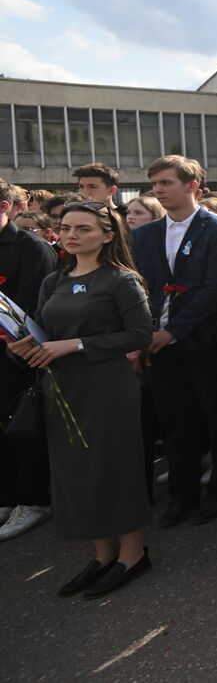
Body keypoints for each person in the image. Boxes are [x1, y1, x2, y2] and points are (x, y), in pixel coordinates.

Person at [7, 200, 153, 597]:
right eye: (66, 227)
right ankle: (103, 555)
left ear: (107, 235)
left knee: (113, 466)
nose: (71, 235)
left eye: (82, 229)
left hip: (106, 385)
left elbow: (140, 335)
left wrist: (73, 345)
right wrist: (22, 348)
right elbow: (40, 332)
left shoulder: (122, 280)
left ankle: (133, 553)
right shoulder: (54, 279)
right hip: (62, 386)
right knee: (77, 472)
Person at [130, 155, 217, 528]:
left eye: (165, 183)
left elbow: (213, 289)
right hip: (158, 345)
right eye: (154, 184)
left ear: (192, 185)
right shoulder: (143, 235)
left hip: (202, 341)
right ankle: (183, 494)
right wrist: (146, 334)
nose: (158, 190)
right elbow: (139, 288)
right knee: (175, 421)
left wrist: (174, 330)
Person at [0, 177, 60, 540]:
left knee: (23, 427)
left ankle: (34, 499)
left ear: (5, 207)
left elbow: (35, 309)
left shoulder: (30, 247)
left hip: (18, 357)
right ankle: (7, 495)